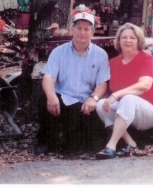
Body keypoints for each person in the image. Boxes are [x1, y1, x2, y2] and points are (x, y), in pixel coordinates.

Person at [36, 12, 110, 154]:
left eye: (87, 29)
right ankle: (45, 140)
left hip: (86, 104)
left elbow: (103, 83)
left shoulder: (101, 55)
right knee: (44, 99)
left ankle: (71, 141)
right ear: (72, 30)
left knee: (84, 148)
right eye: (79, 28)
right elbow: (48, 77)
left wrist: (94, 98)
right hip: (63, 101)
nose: (82, 32)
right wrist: (51, 96)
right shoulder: (58, 52)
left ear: (92, 32)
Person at [95, 23, 153, 160]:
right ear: (118, 41)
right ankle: (130, 143)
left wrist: (116, 95)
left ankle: (111, 146)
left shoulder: (146, 59)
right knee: (101, 104)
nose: (127, 40)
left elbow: (144, 85)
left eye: (132, 38)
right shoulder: (113, 63)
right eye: (124, 37)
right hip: (126, 111)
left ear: (138, 41)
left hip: (151, 113)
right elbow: (107, 88)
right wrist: (96, 98)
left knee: (128, 98)